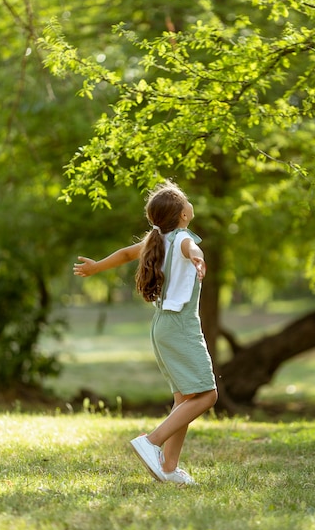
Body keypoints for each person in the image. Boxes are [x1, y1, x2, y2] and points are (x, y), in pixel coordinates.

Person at [73, 181, 218, 485]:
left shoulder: (158, 240)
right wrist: (197, 256)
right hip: (180, 326)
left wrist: (97, 267)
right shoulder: (180, 239)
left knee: (185, 397)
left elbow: (127, 254)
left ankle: (168, 467)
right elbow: (189, 246)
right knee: (207, 395)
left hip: (163, 325)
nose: (190, 205)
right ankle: (151, 441)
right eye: (187, 202)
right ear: (182, 216)